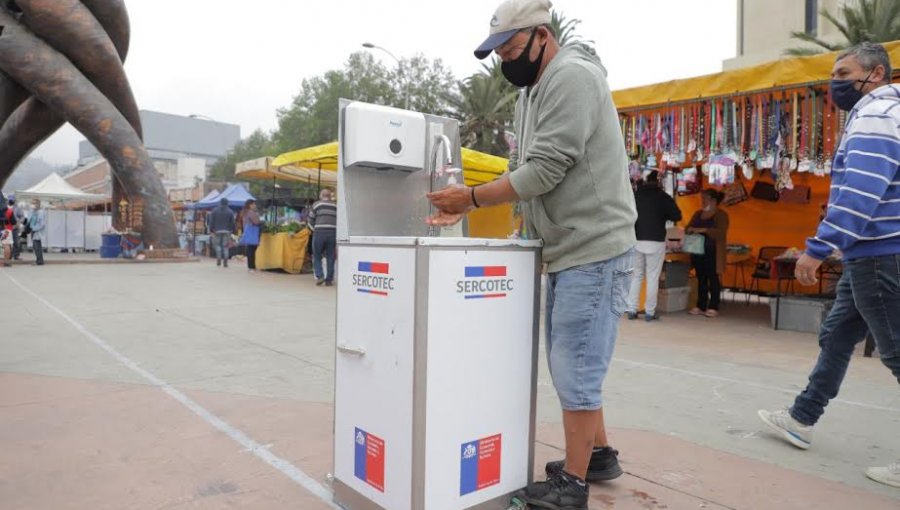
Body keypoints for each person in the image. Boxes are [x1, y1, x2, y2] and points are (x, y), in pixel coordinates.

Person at [428, 1, 637, 507]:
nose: (505, 61)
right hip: (564, 248)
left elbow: (544, 172)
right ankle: (600, 454)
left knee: (574, 368)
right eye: (499, 52)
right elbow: (521, 166)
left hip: (594, 246)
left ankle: (574, 485)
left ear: (542, 36)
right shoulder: (532, 90)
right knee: (574, 360)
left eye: (512, 48)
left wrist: (471, 199)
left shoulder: (572, 78)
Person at [758, 42, 899, 489]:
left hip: (879, 254)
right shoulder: (884, 112)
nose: (834, 81)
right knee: (837, 333)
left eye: (843, 72)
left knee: (897, 354)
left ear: (875, 74)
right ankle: (801, 418)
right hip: (869, 253)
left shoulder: (876, 114)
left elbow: (861, 189)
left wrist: (820, 246)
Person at [627, 171, 682, 321]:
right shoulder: (663, 197)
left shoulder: (635, 196)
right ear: (658, 182)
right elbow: (677, 216)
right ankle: (650, 312)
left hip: (636, 240)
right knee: (652, 277)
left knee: (636, 276)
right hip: (656, 241)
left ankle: (632, 309)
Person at [686, 189, 729, 318]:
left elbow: (721, 233)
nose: (703, 201)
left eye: (705, 199)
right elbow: (688, 228)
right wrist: (691, 230)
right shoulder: (697, 213)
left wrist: (704, 230)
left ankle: (713, 305)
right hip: (697, 250)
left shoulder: (721, 215)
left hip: (713, 251)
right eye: (702, 199)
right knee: (701, 278)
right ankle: (700, 305)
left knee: (713, 278)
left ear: (714, 201)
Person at [309, 189, 337, 287]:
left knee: (317, 255)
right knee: (331, 257)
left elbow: (310, 220)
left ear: (321, 195)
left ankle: (320, 276)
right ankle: (329, 280)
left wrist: (314, 230)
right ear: (330, 196)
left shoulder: (316, 205)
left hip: (319, 233)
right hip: (333, 233)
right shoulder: (336, 206)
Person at [207, 197, 235, 268]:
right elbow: (232, 223)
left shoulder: (214, 211)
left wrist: (211, 230)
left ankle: (219, 258)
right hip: (227, 231)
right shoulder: (230, 211)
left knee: (218, 245)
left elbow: (211, 221)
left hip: (217, 231)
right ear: (227, 203)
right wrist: (231, 230)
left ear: (220, 203)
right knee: (225, 246)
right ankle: (225, 259)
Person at [240, 199, 262, 272]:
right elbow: (256, 222)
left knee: (250, 250)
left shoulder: (245, 212)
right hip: (252, 232)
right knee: (251, 250)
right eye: (254, 204)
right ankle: (251, 267)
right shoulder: (250, 212)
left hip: (248, 232)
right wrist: (260, 221)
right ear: (250, 205)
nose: (255, 205)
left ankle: (251, 267)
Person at [28, 199, 46, 266]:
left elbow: (42, 224)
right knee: (35, 247)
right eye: (32, 203)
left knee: (37, 247)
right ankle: (38, 260)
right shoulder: (34, 212)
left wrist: (34, 229)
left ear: (38, 204)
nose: (33, 205)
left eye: (35, 203)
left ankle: (40, 261)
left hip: (37, 231)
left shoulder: (40, 212)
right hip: (33, 231)